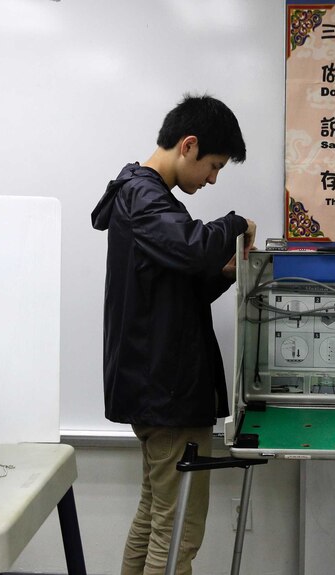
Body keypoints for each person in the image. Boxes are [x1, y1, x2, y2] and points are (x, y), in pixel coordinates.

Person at [91, 94, 256, 575]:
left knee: (156, 515)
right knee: (179, 527)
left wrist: (225, 271)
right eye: (213, 166)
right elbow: (190, 248)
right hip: (166, 391)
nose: (212, 178)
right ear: (188, 145)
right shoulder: (145, 197)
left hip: (159, 389)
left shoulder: (145, 199)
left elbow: (175, 287)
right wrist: (235, 224)